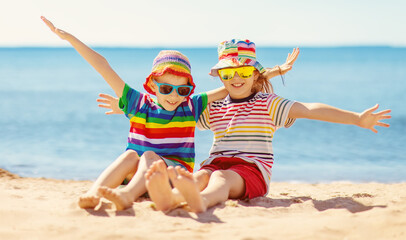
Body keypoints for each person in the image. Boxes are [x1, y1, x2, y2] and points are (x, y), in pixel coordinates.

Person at [41, 17, 297, 210]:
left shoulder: (190, 106)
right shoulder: (137, 103)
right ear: (152, 85)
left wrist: (272, 72)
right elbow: (104, 67)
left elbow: (232, 84)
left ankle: (127, 195)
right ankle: (96, 192)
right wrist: (70, 39)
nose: (174, 95)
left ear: (189, 90)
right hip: (139, 173)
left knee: (149, 155)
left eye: (182, 89)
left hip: (172, 176)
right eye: (166, 88)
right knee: (132, 154)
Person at [145, 39, 392, 213]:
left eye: (242, 71)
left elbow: (309, 109)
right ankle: (175, 197)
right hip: (216, 162)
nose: (236, 78)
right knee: (202, 174)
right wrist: (130, 105)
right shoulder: (215, 107)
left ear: (255, 74)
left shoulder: (267, 103)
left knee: (221, 177)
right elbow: (177, 108)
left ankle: (201, 201)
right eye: (228, 74)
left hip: (251, 170)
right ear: (221, 77)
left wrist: (357, 118)